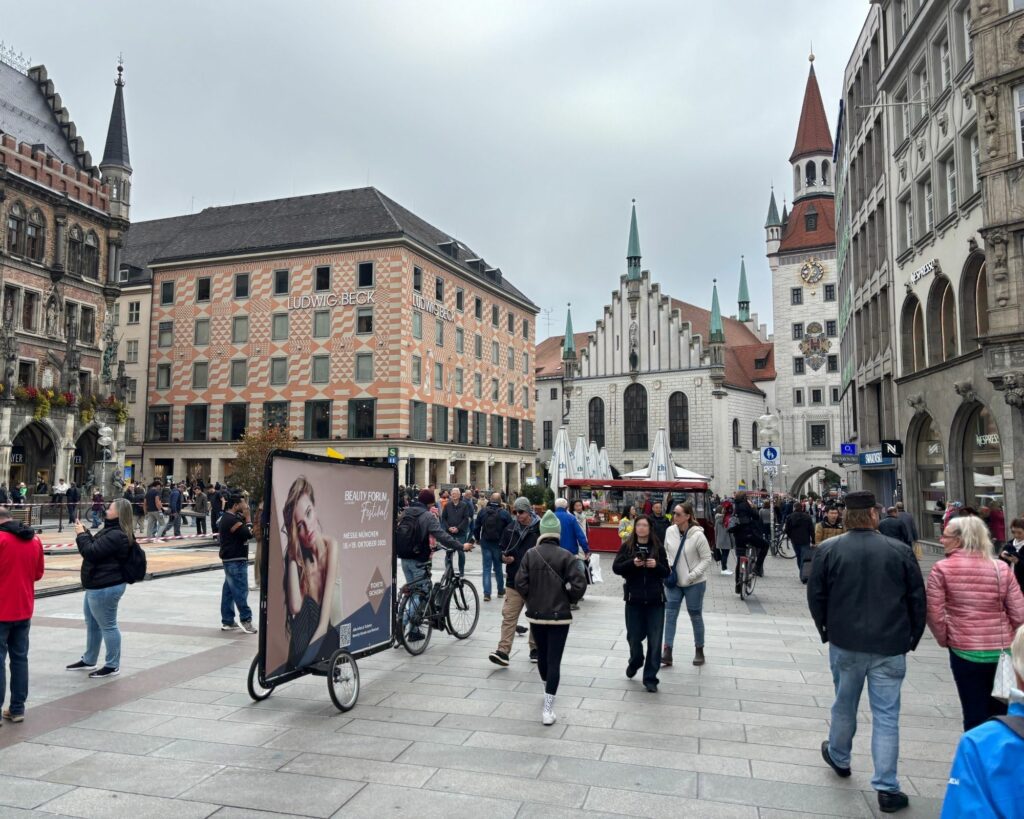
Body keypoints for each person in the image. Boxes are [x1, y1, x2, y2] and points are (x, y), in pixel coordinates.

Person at [808, 490, 926, 814]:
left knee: (844, 704)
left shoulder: (829, 550)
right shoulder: (899, 550)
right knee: (887, 716)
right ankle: (887, 788)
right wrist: (912, 637)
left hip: (845, 643)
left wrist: (826, 631)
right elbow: (918, 598)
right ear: (874, 515)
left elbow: (816, 597)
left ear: (846, 516)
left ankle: (839, 756)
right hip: (890, 646)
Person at [926, 515, 1024, 732]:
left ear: (961, 539)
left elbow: (934, 613)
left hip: (964, 651)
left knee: (973, 712)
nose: (942, 540)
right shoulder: (1001, 568)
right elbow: (1019, 615)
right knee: (1002, 712)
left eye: (946, 536)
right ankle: (1001, 759)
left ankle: (976, 757)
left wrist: (945, 638)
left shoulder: (942, 569)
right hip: (1001, 651)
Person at [941, 624, 1024, 816]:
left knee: (975, 717)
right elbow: (1017, 609)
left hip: (966, 647)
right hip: (997, 644)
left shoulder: (979, 744)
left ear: (1017, 672)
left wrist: (947, 637)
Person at [515, 510, 587, 724]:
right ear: (557, 534)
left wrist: (531, 599)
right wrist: (568, 598)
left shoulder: (531, 554)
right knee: (555, 659)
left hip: (536, 615)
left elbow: (520, 583)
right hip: (560, 617)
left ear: (541, 533)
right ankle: (548, 707)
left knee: (543, 656)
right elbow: (579, 585)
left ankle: (547, 686)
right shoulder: (568, 556)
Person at [68, 498, 137, 678]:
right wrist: (86, 533)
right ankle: (89, 659)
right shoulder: (111, 530)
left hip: (106, 585)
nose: (107, 508)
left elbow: (91, 552)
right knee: (92, 623)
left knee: (108, 625)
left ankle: (112, 664)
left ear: (119, 513)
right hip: (96, 584)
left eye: (111, 507)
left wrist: (81, 536)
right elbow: (97, 548)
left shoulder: (117, 534)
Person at [281, 478, 342, 667]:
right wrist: (292, 555)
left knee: (309, 605)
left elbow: (324, 624)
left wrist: (302, 661)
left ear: (315, 508)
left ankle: (295, 662)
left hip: (331, 635)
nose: (307, 529)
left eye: (308, 513)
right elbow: (296, 608)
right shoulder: (297, 558)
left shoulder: (331, 546)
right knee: (306, 605)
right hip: (308, 638)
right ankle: (295, 661)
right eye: (299, 526)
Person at [396, 489, 465, 641]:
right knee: (422, 593)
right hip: (419, 559)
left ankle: (413, 631)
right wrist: (460, 546)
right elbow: (441, 535)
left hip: (404, 558)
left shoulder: (406, 512)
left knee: (414, 591)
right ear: (430, 502)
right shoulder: (427, 516)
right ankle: (402, 625)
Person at [613, 514, 670, 692]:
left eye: (645, 525)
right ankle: (636, 660)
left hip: (655, 601)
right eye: (639, 525)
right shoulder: (628, 547)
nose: (641, 528)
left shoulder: (658, 548)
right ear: (635, 528)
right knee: (633, 637)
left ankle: (650, 678)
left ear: (650, 528)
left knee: (655, 640)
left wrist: (656, 566)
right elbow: (616, 568)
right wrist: (633, 563)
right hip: (634, 600)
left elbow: (666, 572)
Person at [0, 507, 44, 723]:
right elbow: (38, 573)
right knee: (19, 659)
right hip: (23, 608)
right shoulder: (34, 540)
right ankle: (17, 708)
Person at [489, 497, 539, 667]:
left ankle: (535, 648)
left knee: (535, 617)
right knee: (508, 617)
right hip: (514, 581)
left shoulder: (539, 530)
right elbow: (501, 550)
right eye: (515, 512)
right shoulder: (510, 529)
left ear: (529, 511)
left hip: (534, 583)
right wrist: (504, 558)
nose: (518, 515)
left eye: (521, 512)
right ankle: (503, 652)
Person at [663, 502, 713, 668]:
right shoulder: (670, 531)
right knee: (670, 615)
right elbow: (666, 551)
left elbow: (707, 558)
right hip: (674, 581)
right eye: (673, 513)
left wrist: (693, 575)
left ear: (687, 516)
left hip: (694, 583)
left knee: (695, 615)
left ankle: (699, 649)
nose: (674, 516)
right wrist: (668, 568)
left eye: (677, 514)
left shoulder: (698, 535)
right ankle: (667, 651)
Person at [218, 493, 256, 634]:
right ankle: (246, 620)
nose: (245, 505)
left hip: (230, 559)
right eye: (242, 503)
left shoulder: (228, 518)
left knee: (228, 591)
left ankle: (228, 621)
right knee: (240, 590)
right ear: (235, 505)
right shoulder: (232, 520)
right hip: (236, 560)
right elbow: (248, 534)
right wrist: (248, 518)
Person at [473, 492, 512, 602]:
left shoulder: (483, 512)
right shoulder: (504, 513)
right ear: (500, 501)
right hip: (499, 544)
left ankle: (487, 593)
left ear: (490, 500)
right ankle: (500, 590)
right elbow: (510, 529)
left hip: (485, 542)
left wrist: (477, 539)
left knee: (486, 568)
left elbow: (476, 527)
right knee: (498, 567)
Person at [553, 498, 590, 610]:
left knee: (556, 577)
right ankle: (572, 601)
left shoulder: (551, 518)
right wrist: (586, 549)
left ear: (555, 507)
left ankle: (556, 600)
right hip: (571, 554)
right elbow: (580, 535)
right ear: (566, 507)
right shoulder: (571, 518)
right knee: (574, 577)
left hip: (554, 553)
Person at [732, 491, 769, 588]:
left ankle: (738, 585)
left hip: (738, 536)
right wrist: (753, 507)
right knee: (765, 545)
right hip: (748, 534)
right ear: (745, 497)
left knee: (740, 559)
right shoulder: (746, 504)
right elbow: (756, 516)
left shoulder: (735, 505)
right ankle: (757, 568)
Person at [440, 487, 474, 577]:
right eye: (452, 493)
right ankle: (448, 571)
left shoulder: (464, 505)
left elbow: (466, 519)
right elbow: (443, 518)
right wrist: (448, 527)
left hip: (460, 533)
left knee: (461, 552)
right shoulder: (447, 505)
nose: (454, 495)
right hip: (449, 533)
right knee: (449, 552)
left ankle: (461, 571)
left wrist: (458, 528)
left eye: (455, 493)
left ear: (459, 495)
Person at [784, 501, 816, 583]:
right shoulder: (807, 517)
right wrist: (813, 540)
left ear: (794, 508)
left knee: (799, 557)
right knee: (804, 558)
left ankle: (802, 574)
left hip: (795, 540)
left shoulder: (790, 517)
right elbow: (811, 530)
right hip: (805, 540)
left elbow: (786, 530)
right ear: (802, 508)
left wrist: (791, 536)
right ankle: (804, 575)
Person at [999, 518, 1024, 593]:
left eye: (1019, 533)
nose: (1016, 535)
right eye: (1013, 532)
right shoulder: (1009, 544)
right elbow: (1001, 565)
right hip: (1009, 581)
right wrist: (1002, 556)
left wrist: (1018, 562)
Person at [713, 500, 734, 575]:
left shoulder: (717, 519)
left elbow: (716, 531)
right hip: (726, 540)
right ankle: (724, 569)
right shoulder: (726, 519)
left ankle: (724, 568)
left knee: (724, 554)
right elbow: (730, 530)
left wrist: (716, 540)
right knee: (725, 554)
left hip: (720, 539)